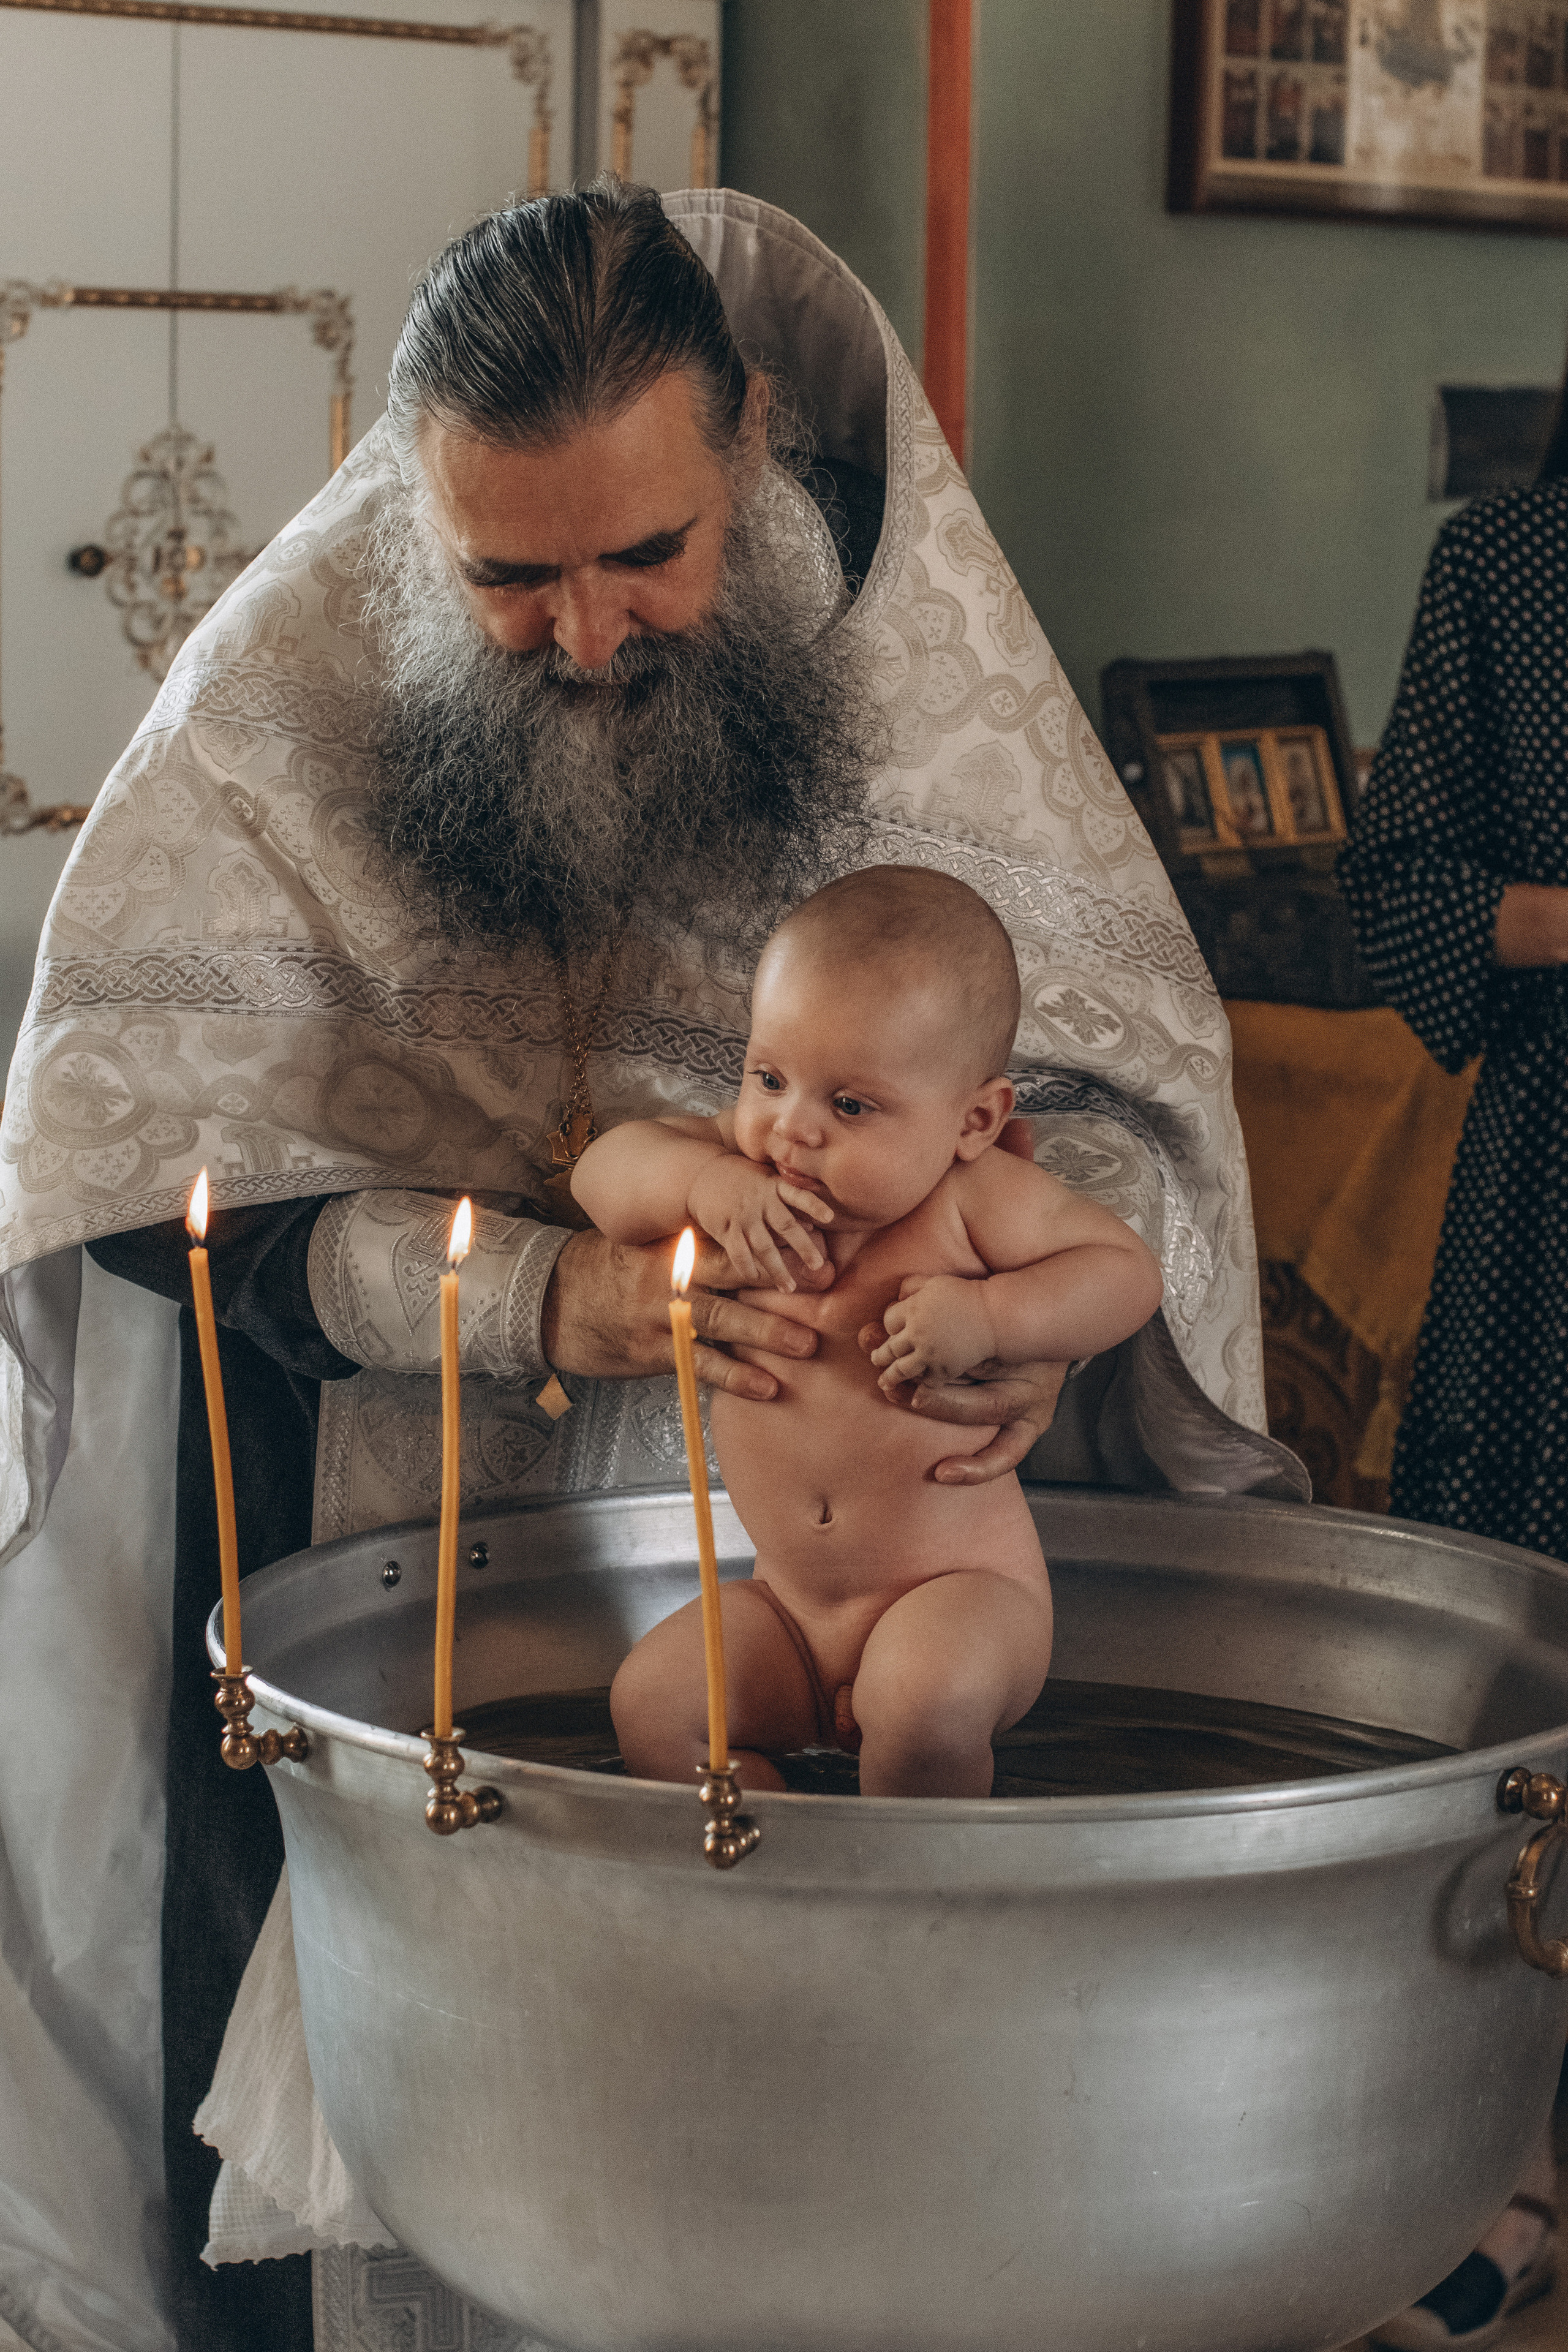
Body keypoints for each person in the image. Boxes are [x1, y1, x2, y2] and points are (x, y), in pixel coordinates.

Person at [0, 180, 1298, 2352]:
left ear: (757, 443)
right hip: (373, 1537)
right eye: (509, 574)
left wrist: (1016, 1329)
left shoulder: (916, 660)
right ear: (418, 495)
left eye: (650, 555)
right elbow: (150, 1189)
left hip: (842, 1534)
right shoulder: (278, 697)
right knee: (375, 2197)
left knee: (779, 2192)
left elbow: (1125, 1104)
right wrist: (543, 1298)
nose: (589, 632)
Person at [575, 866, 1162, 1796]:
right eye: (769, 1076)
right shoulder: (741, 1163)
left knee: (923, 1704)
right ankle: (784, 1880)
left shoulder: (972, 1201)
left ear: (974, 1121)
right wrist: (701, 1186)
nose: (791, 1130)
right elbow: (601, 1176)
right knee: (653, 1705)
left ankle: (908, 1917)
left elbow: (1125, 1273)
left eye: (851, 1106)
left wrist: (993, 1316)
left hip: (956, 1599)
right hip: (790, 1614)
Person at [1338, 400, 1568, 2348]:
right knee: (1525, 1669)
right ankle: (1505, 2165)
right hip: (1555, 1188)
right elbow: (1399, 903)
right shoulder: (1508, 569)